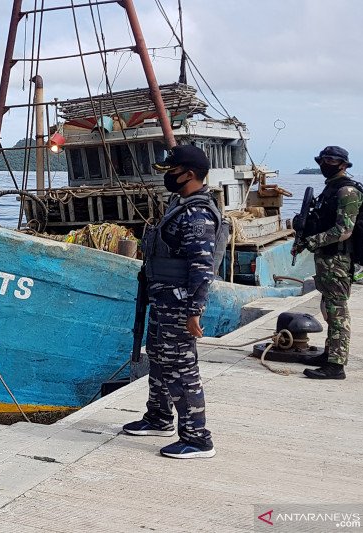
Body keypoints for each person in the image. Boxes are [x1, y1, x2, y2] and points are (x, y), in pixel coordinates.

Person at [122, 144, 218, 459]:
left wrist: (194, 312)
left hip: (178, 305)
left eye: (171, 172)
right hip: (162, 300)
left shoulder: (198, 214)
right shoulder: (180, 204)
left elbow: (201, 269)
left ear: (189, 174)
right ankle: (159, 417)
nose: (167, 177)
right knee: (161, 361)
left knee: (181, 367)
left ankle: (197, 437)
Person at [293, 146, 363, 379]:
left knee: (338, 311)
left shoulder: (347, 192)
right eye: (323, 160)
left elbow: (344, 230)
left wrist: (312, 241)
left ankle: (336, 365)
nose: (326, 163)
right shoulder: (330, 189)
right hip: (326, 258)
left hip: (338, 259)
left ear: (343, 164)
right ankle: (330, 353)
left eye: (331, 160)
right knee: (328, 308)